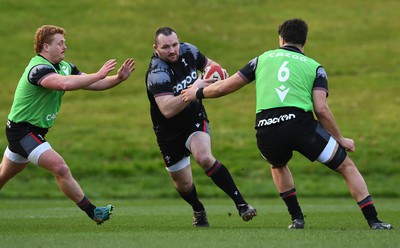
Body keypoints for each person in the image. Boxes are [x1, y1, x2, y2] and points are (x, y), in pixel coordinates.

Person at [182, 18, 393, 230]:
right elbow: (321, 109)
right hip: (300, 126)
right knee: (346, 166)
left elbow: (223, 88)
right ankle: (373, 221)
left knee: (278, 164)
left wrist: (196, 93)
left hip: (266, 126)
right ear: (304, 42)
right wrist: (340, 139)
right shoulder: (315, 67)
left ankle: (297, 218)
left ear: (281, 39)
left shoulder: (261, 59)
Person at [0, 25, 135, 225]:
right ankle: (94, 212)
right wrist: (99, 73)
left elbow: (92, 83)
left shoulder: (65, 67)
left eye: (64, 43)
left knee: (3, 175)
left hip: (34, 131)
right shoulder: (38, 69)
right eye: (60, 43)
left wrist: (118, 79)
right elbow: (64, 84)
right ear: (46, 47)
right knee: (60, 167)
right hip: (22, 131)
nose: (65, 47)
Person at [145, 27, 256, 227]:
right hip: (168, 132)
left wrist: (217, 73)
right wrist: (196, 88)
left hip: (194, 119)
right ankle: (198, 209)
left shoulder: (189, 51)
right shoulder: (157, 73)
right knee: (183, 184)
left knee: (204, 157)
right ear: (156, 48)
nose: (172, 50)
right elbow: (168, 109)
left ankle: (242, 205)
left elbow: (211, 65)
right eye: (166, 47)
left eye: (175, 44)